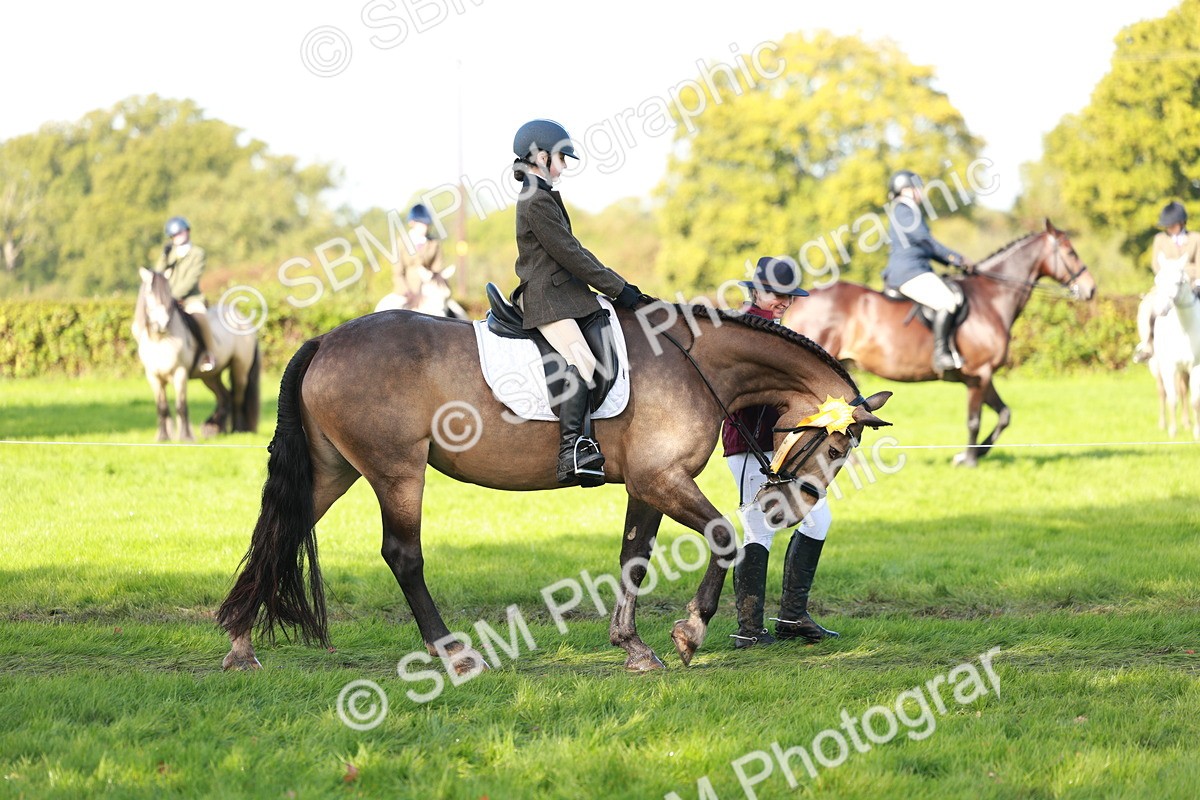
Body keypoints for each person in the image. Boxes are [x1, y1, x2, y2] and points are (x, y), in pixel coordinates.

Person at [509, 118, 643, 487]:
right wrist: (619, 288)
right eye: (560, 159)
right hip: (546, 299)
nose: (564, 167)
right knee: (582, 362)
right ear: (539, 156)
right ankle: (572, 449)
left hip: (564, 295)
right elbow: (570, 253)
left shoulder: (543, 194)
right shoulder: (535, 199)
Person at [725, 256, 838, 649]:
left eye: (789, 296)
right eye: (777, 294)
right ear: (755, 289)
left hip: (785, 450)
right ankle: (749, 629)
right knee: (759, 528)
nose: (784, 302)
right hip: (748, 446)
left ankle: (792, 616)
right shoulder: (743, 329)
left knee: (817, 519)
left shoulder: (775, 330)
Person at [881, 170, 975, 374]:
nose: (921, 192)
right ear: (906, 190)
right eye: (917, 187)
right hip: (909, 272)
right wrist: (956, 259)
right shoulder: (905, 211)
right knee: (948, 301)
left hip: (914, 269)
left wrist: (954, 262)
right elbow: (927, 242)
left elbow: (926, 247)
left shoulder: (906, 210)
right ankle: (941, 354)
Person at [1133, 201, 1200, 363]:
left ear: (1181, 223)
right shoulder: (1160, 240)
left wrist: (1190, 275)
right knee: (1146, 306)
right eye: (1167, 226)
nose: (1169, 229)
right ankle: (1147, 344)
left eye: (1172, 225)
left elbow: (1199, 264)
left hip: (1191, 284)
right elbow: (1156, 264)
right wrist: (1172, 271)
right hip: (1167, 284)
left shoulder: (1195, 239)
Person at [154, 216, 215, 372]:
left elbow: (191, 279)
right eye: (173, 235)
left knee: (200, 317)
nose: (177, 237)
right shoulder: (170, 253)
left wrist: (174, 296)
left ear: (187, 232)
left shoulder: (197, 253)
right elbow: (158, 276)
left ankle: (209, 353)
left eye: (179, 233)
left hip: (190, 299)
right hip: (169, 300)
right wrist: (164, 257)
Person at [391, 203, 443, 306]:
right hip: (407, 292)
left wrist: (433, 278)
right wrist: (407, 292)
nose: (425, 227)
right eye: (421, 224)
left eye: (426, 224)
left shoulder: (434, 243)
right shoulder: (401, 242)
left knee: (453, 312)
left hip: (429, 291)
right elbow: (397, 273)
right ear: (412, 223)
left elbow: (438, 269)